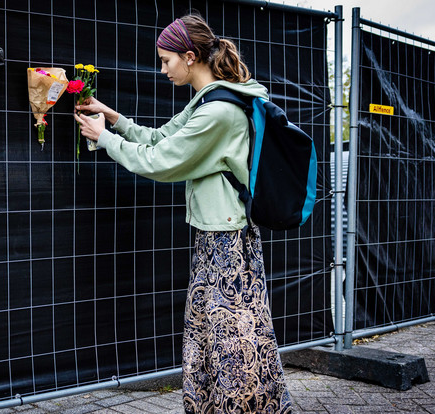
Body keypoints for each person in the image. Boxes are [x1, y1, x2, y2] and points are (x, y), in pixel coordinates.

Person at [74, 13, 294, 414]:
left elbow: (161, 161)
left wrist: (104, 139)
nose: (162, 69)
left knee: (234, 339)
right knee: (210, 334)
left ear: (190, 56)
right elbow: (161, 138)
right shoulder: (209, 99)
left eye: (165, 60)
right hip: (215, 236)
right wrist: (113, 118)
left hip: (228, 241)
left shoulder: (219, 112)